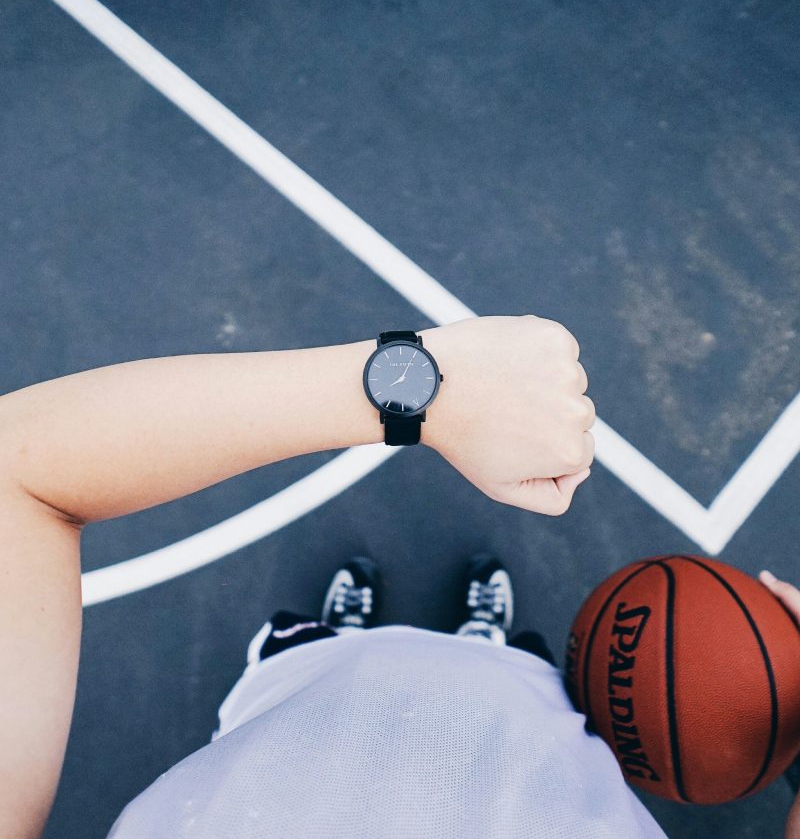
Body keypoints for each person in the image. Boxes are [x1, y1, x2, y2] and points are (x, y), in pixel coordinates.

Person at [0, 313, 787, 838]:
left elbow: (16, 479)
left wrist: (424, 390)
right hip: (524, 719)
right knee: (505, 679)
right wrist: (418, 385)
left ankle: (349, 642)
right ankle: (487, 649)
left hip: (310, 699)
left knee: (317, 677)